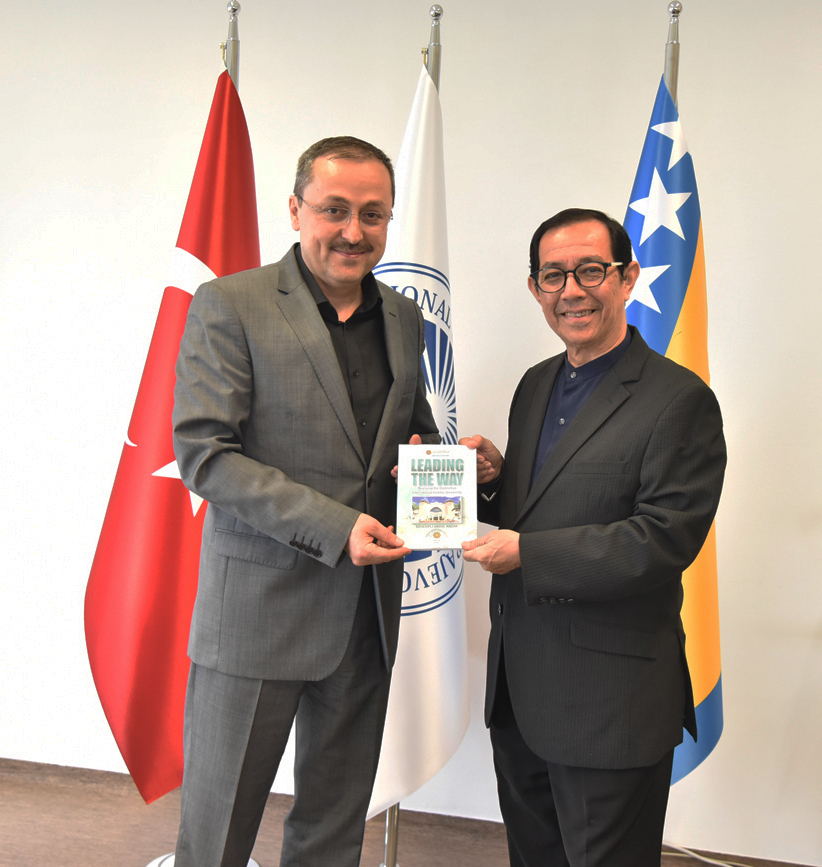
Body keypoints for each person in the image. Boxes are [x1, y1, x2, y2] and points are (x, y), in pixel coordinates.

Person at [172, 136, 439, 867]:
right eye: (334, 210)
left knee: (333, 831)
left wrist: (449, 461)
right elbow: (206, 454)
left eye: (373, 214)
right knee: (218, 832)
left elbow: (406, 434)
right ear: (295, 210)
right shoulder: (231, 304)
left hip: (365, 618)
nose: (354, 231)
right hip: (256, 615)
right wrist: (335, 525)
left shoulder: (403, 318)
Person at [460, 208, 726, 867]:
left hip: (611, 704)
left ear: (627, 277)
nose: (571, 290)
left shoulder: (679, 399)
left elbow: (661, 540)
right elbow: (543, 504)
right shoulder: (535, 384)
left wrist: (526, 554)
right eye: (554, 275)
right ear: (535, 288)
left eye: (590, 271)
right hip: (520, 692)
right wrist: (493, 481)